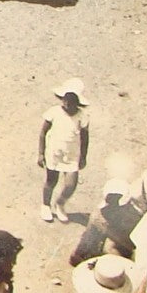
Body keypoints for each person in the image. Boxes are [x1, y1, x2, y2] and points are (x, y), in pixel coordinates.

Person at [39, 78, 90, 223]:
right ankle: (46, 205)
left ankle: (60, 204)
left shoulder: (82, 117)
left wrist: (83, 157)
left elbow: (85, 138)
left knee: (70, 185)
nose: (68, 103)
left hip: (72, 155)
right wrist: (41, 153)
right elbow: (43, 133)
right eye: (66, 99)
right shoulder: (54, 112)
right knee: (51, 181)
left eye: (72, 100)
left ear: (77, 102)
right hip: (54, 153)